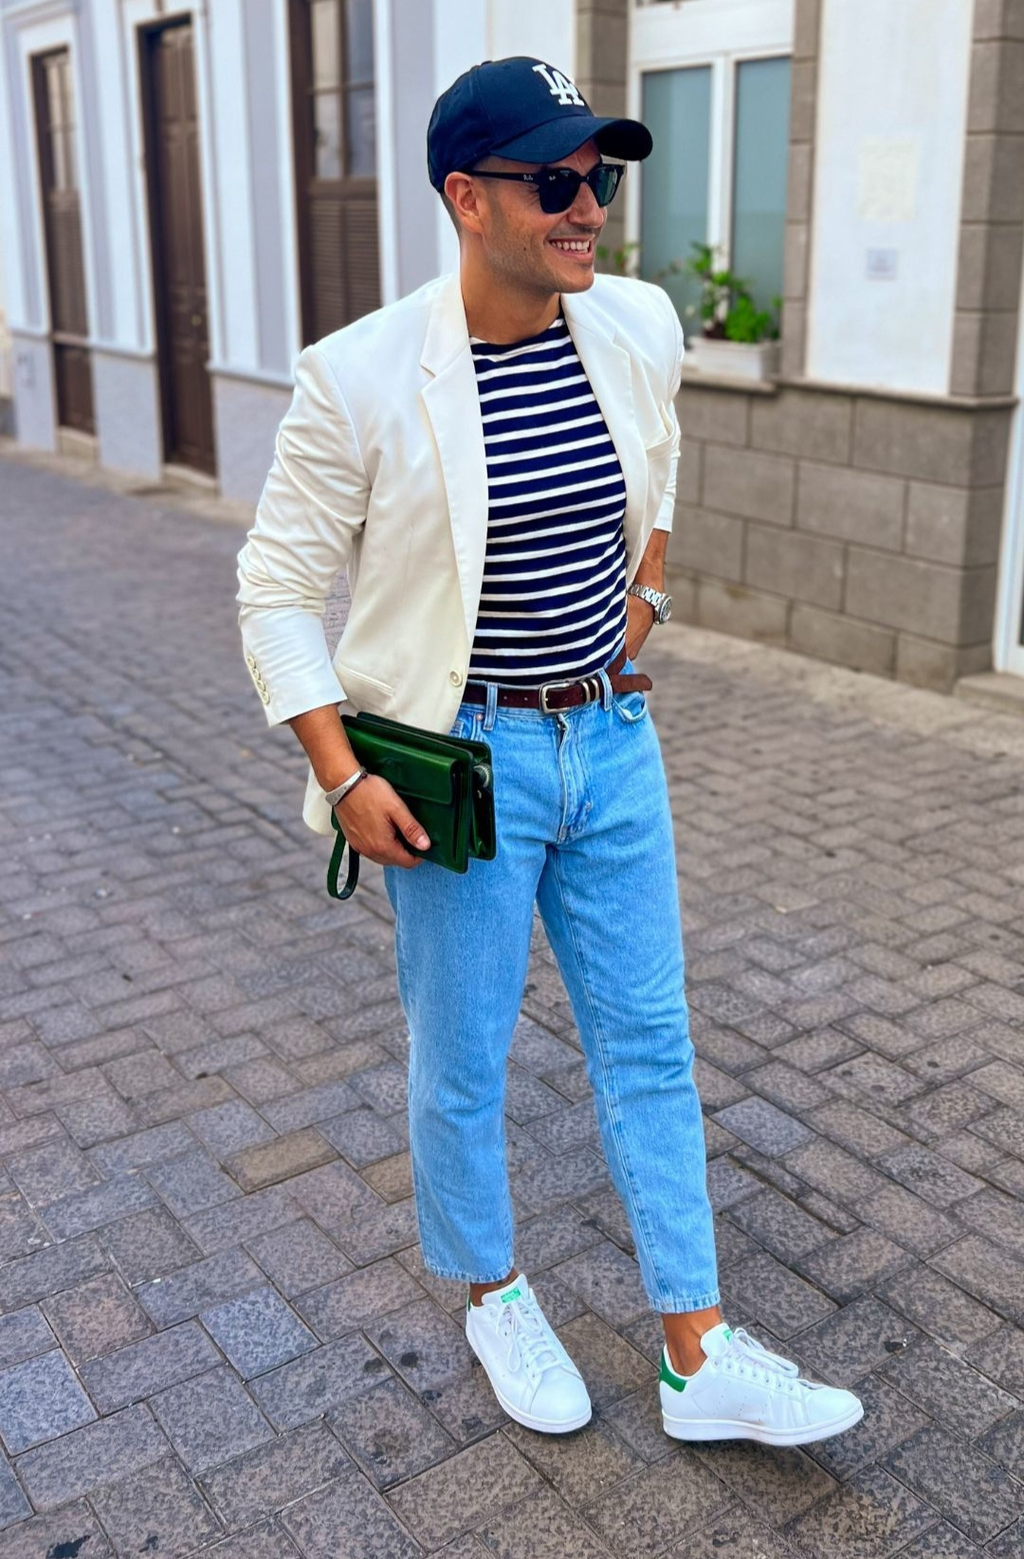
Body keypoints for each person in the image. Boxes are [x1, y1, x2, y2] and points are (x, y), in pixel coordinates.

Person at [237, 56, 863, 1447]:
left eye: (603, 180)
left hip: (614, 738)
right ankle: (494, 1291)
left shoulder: (633, 321)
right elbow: (274, 590)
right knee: (463, 1056)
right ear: (468, 198)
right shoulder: (359, 378)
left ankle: (700, 1354)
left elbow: (662, 451)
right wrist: (345, 774)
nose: (590, 209)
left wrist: (650, 584)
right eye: (556, 183)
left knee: (650, 1044)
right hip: (463, 766)